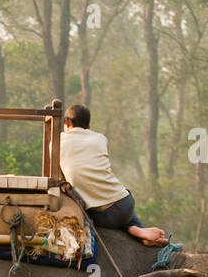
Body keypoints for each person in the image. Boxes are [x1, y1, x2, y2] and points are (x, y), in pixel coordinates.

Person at [59, 104, 167, 246]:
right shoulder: (100, 139)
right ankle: (139, 230)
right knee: (117, 209)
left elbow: (62, 181)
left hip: (105, 215)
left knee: (86, 212)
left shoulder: (57, 141)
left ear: (66, 123)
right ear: (89, 127)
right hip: (125, 202)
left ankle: (137, 230)